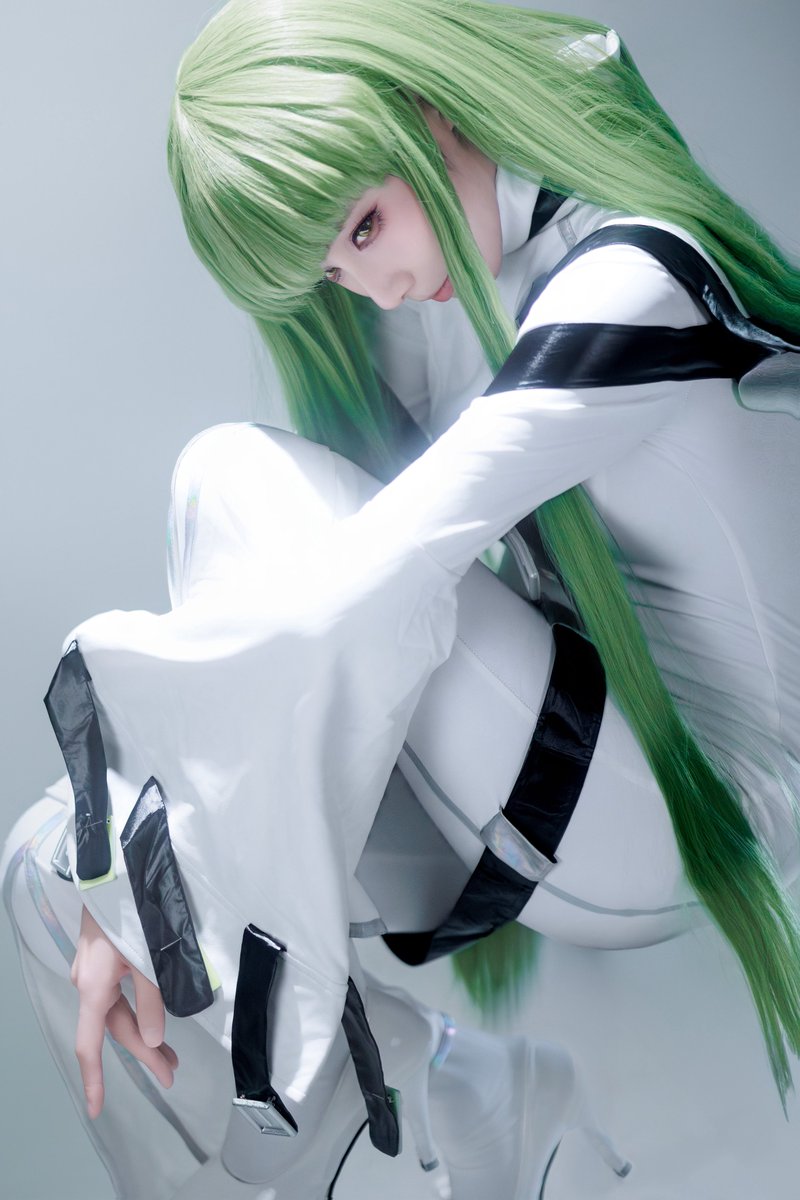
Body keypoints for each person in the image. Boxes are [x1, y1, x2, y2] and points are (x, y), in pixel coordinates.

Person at [4, 0, 800, 1193]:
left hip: (684, 819)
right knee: (45, 868)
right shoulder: (437, 292)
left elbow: (370, 582)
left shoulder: (633, 277)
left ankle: (352, 1070)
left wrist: (147, 883)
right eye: (337, 268)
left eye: (365, 226)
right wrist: (119, 872)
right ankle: (456, 1088)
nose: (376, 288)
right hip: (534, 793)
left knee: (225, 481)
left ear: (427, 108)